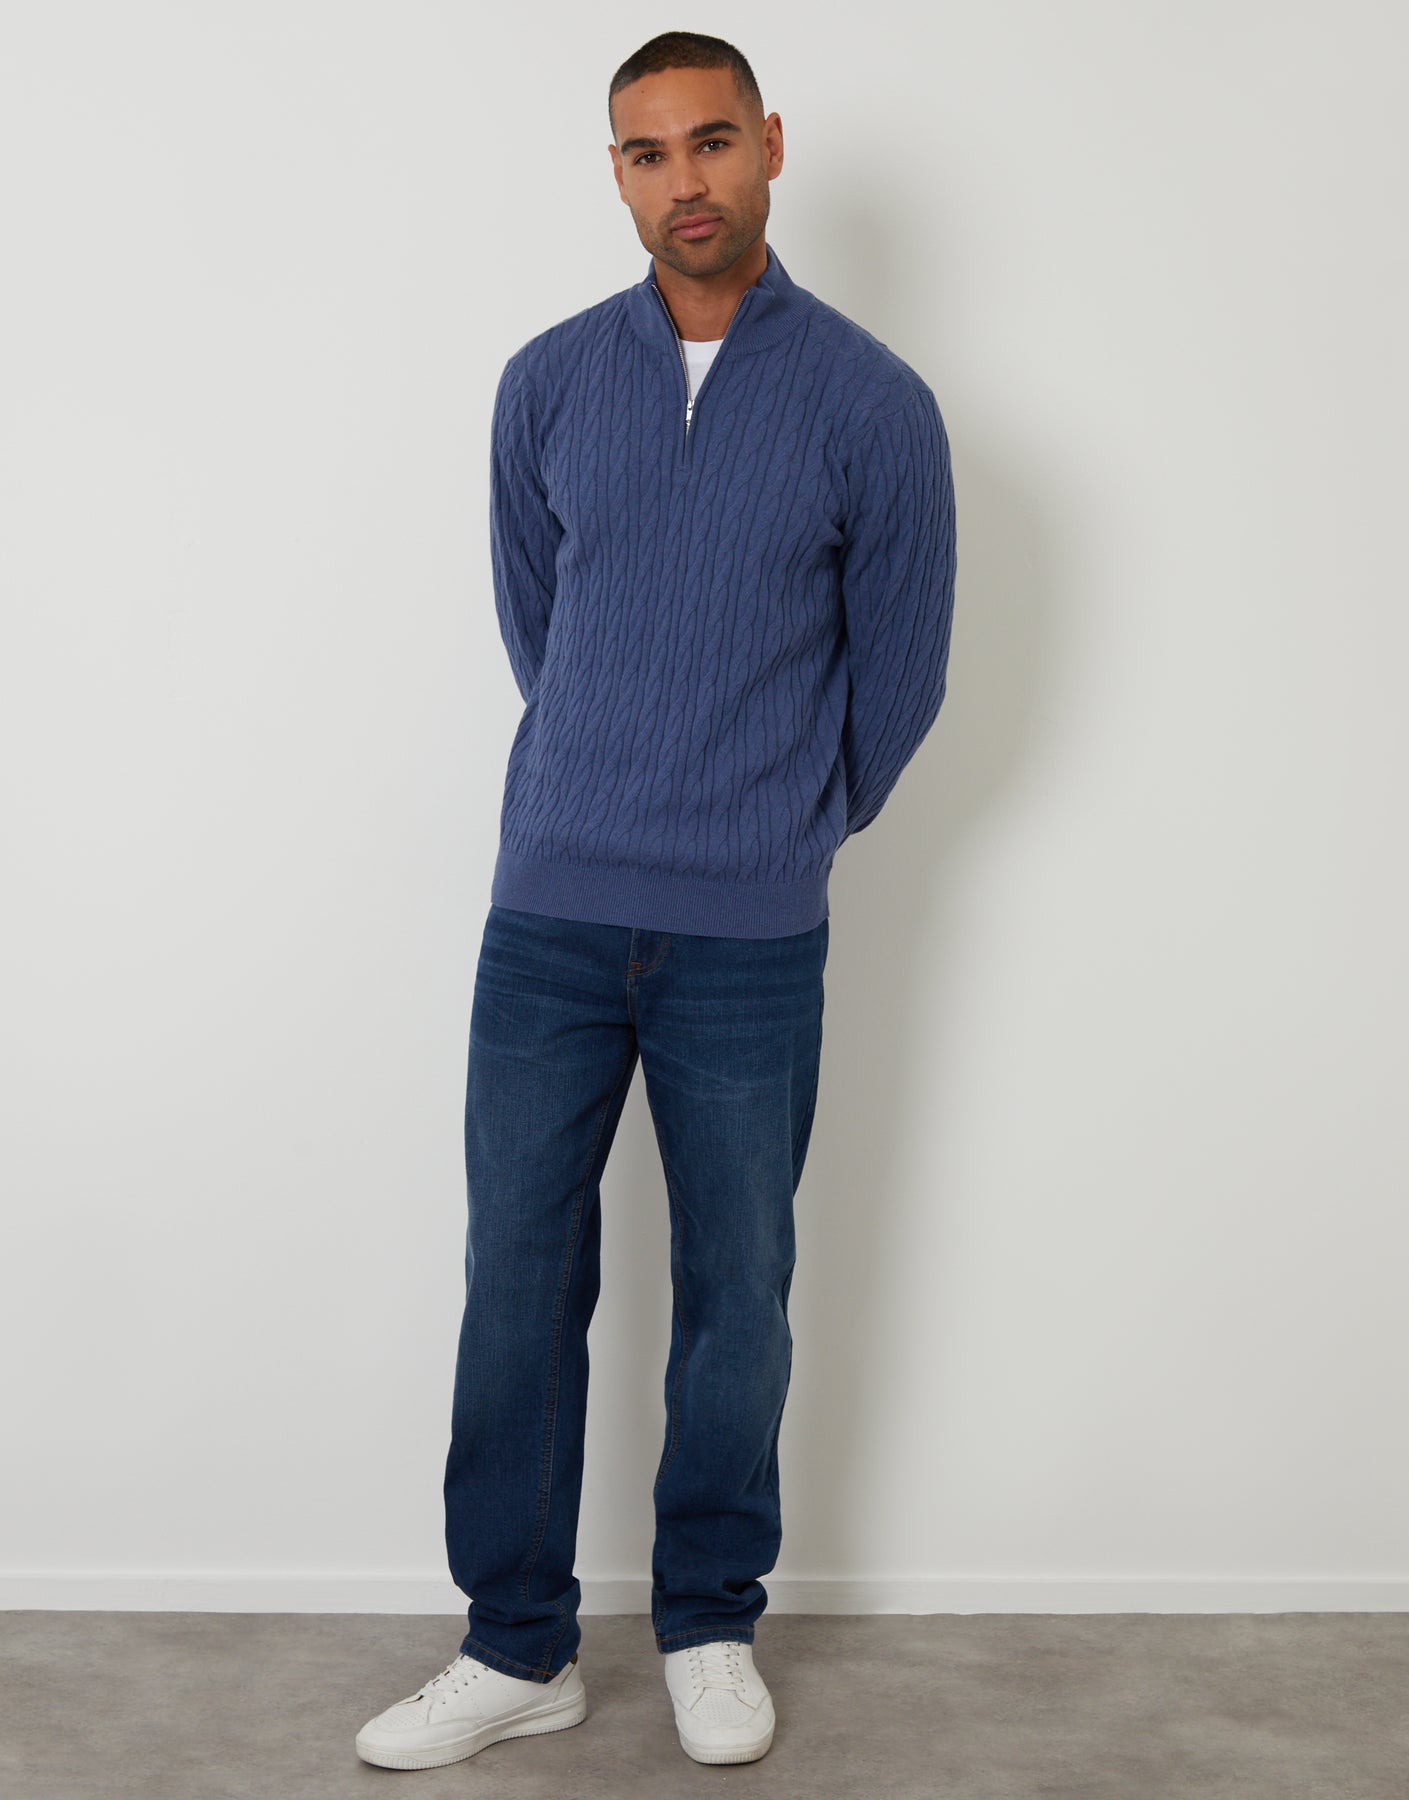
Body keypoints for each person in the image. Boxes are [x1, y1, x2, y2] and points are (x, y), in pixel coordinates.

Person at [355, 28, 956, 1773]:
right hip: (548, 915)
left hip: (749, 935)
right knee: (516, 1282)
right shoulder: (545, 382)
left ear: (767, 145)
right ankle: (515, 1645)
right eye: (645, 153)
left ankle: (707, 1621)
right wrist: (606, 789)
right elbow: (540, 627)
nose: (682, 181)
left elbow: (899, 677)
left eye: (708, 142)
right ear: (614, 174)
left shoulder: (871, 403)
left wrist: (780, 829)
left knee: (737, 1291)